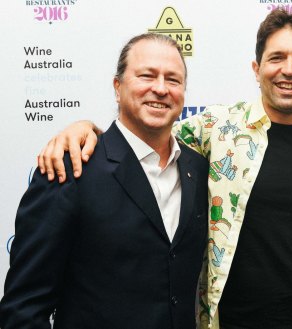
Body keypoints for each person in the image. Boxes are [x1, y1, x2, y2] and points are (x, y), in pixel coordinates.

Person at [36, 10, 292, 329]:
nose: (289, 70)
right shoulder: (218, 128)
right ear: (256, 69)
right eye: (276, 58)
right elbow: (146, 131)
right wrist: (85, 129)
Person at [0, 33, 209, 329]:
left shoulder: (197, 169)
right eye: (146, 76)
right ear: (117, 86)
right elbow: (24, 307)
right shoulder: (70, 169)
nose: (160, 89)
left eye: (172, 80)